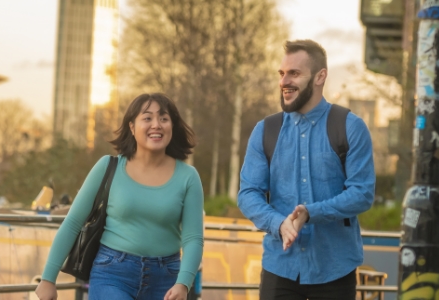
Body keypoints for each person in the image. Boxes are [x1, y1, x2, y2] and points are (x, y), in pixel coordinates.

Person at [237, 39, 375, 299]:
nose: (284, 82)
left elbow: (362, 193)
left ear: (320, 77)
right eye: (282, 73)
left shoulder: (350, 127)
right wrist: (279, 224)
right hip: (280, 269)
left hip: (335, 269)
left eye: (295, 73)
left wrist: (311, 213)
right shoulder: (265, 131)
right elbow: (248, 193)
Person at [35, 93, 204, 300]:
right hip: (112, 274)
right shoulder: (108, 167)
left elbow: (193, 238)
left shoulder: (188, 177)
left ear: (172, 126)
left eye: (164, 118)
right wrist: (48, 279)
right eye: (147, 118)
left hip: (167, 278)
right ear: (132, 127)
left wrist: (183, 284)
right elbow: (73, 223)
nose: (156, 125)